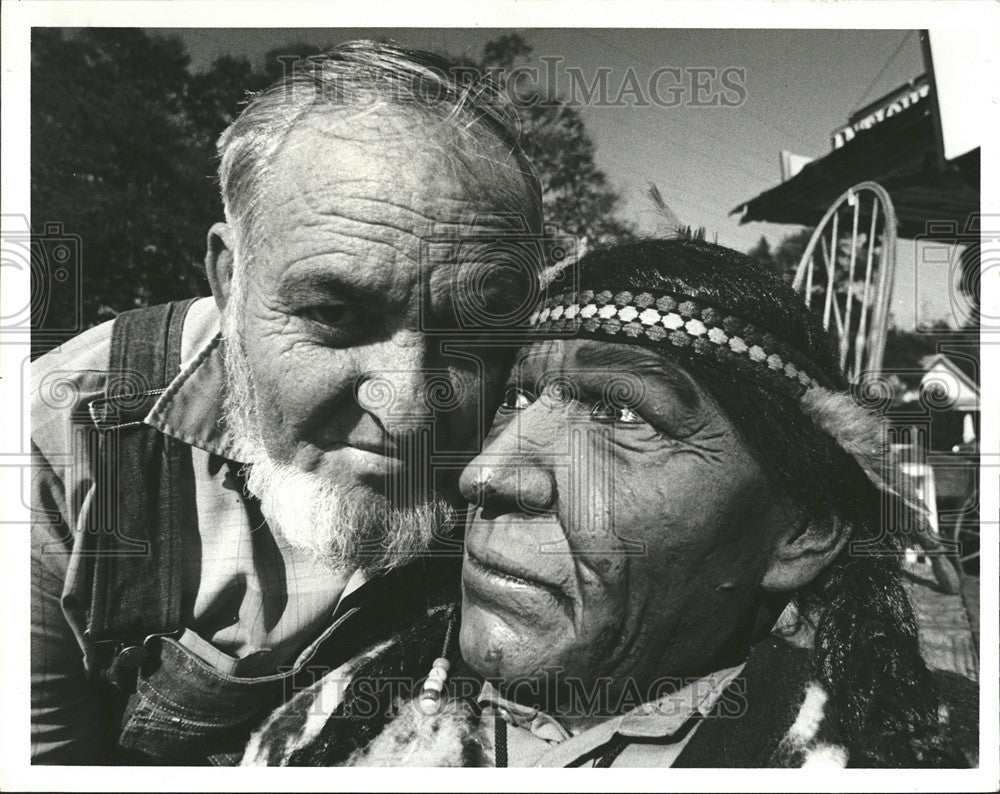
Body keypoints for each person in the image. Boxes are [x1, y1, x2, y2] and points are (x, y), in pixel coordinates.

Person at [243, 237, 977, 768]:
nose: (485, 473)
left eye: (624, 415)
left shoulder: (922, 756)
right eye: (517, 397)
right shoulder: (320, 728)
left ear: (804, 530)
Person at [30, 40, 545, 764]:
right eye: (336, 316)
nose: (409, 411)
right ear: (228, 281)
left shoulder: (536, 437)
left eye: (471, 333)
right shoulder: (54, 442)